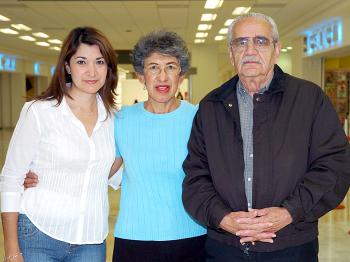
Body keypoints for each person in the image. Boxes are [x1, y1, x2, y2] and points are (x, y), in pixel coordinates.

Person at [182, 12, 350, 262]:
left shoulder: (309, 99)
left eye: (260, 41)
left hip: (292, 246)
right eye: (240, 42)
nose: (250, 50)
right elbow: (196, 176)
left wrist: (289, 212)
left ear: (276, 49)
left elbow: (333, 165)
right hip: (226, 247)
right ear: (231, 53)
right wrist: (223, 218)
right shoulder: (211, 107)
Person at [0, 26, 119, 262]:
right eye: (82, 62)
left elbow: (110, 173)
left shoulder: (114, 119)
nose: (92, 71)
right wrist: (11, 249)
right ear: (67, 66)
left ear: (109, 68)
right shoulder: (40, 111)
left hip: (91, 239)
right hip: (38, 234)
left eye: (100, 62)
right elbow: (11, 178)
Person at [111, 30, 206, 261]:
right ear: (141, 77)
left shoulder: (199, 118)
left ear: (181, 76)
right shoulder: (121, 119)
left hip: (191, 235)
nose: (162, 76)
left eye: (171, 67)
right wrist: (42, 175)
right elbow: (97, 168)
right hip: (134, 238)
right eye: (153, 67)